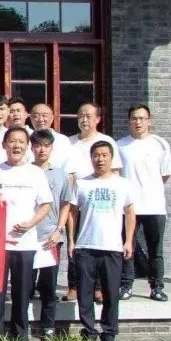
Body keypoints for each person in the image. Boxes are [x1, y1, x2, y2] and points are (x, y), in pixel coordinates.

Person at [0, 126, 52, 341]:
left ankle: (20, 337)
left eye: (21, 142)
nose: (16, 146)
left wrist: (31, 223)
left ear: (27, 146)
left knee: (22, 292)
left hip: (25, 242)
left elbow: (46, 204)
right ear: (4, 144)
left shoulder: (35, 173)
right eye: (12, 141)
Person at [68, 141, 136, 341]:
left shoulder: (122, 184)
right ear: (91, 158)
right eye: (96, 155)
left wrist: (128, 241)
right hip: (85, 246)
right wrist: (71, 240)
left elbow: (130, 213)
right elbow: (72, 213)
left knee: (111, 293)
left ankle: (109, 336)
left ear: (111, 157)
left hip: (112, 247)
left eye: (104, 155)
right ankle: (89, 333)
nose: (100, 159)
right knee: (85, 294)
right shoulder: (82, 183)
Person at [63, 102, 121, 302]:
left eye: (88, 116)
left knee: (98, 247)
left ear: (98, 119)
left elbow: (115, 171)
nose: (84, 119)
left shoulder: (106, 141)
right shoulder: (69, 142)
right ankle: (74, 286)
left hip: (99, 202)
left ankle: (98, 287)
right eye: (81, 115)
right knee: (75, 243)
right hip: (75, 199)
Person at [118, 104, 171, 302]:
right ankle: (126, 285)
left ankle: (157, 287)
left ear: (149, 121)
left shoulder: (160, 144)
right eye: (134, 118)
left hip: (154, 206)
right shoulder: (120, 145)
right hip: (128, 208)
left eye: (142, 118)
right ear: (129, 121)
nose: (138, 122)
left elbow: (164, 175)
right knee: (128, 248)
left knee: (155, 250)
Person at [30, 129, 72, 341]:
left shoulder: (60, 174)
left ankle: (48, 329)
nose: (42, 150)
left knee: (49, 286)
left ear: (52, 148)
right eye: (38, 145)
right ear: (31, 148)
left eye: (46, 146)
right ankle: (21, 331)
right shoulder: (25, 171)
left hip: (50, 238)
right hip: (27, 237)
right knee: (26, 286)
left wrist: (59, 230)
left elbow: (65, 204)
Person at [29, 103, 71, 168]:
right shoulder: (25, 140)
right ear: (31, 119)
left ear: (52, 118)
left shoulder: (63, 140)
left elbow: (69, 167)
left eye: (44, 115)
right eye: (36, 116)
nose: (41, 119)